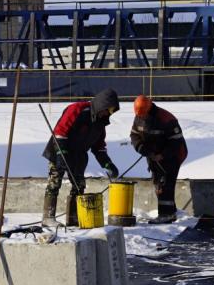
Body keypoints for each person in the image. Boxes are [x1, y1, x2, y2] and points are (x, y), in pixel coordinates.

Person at [42, 89, 120, 228]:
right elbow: (60, 132)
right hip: (60, 149)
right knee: (54, 182)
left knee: (79, 185)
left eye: (111, 112)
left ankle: (73, 218)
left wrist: (108, 164)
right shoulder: (78, 109)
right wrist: (61, 154)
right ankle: (48, 217)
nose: (108, 114)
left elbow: (99, 147)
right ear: (102, 105)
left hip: (78, 155)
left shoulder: (100, 124)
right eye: (107, 110)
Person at [130, 95, 188, 224]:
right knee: (158, 182)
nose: (142, 117)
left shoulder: (166, 118)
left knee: (165, 183)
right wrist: (142, 148)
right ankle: (171, 211)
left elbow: (176, 141)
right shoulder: (138, 117)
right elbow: (134, 135)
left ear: (149, 109)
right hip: (153, 154)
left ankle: (166, 215)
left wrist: (163, 155)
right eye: (140, 115)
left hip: (173, 154)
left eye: (144, 115)